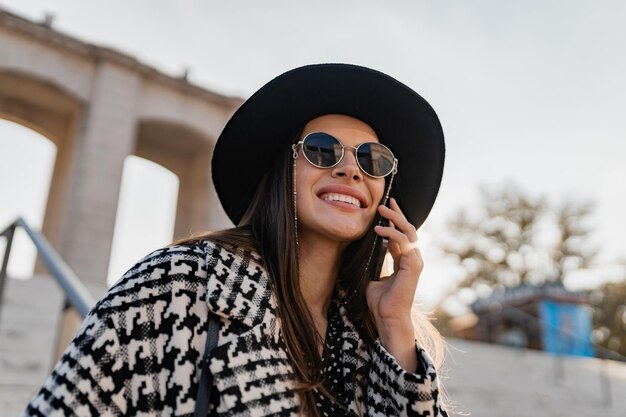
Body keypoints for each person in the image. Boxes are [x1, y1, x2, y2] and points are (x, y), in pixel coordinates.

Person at [24, 64, 448, 417]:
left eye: (372, 159)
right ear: (282, 170)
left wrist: (395, 327)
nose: (351, 170)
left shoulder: (375, 336)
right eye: (322, 149)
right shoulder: (179, 282)